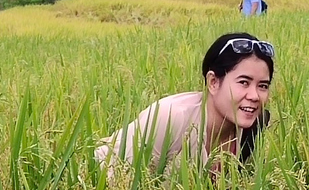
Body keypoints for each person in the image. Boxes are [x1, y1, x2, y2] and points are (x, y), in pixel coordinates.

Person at [94, 33, 273, 176]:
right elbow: (117, 185)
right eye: (243, 82)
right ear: (213, 82)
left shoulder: (255, 126)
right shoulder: (170, 117)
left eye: (263, 86)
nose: (254, 95)